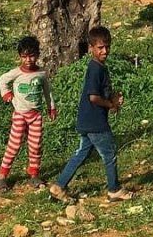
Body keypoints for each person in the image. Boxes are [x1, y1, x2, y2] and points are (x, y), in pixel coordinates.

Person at [49, 26, 133, 202]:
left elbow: (100, 93)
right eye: (100, 47)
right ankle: (114, 189)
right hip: (95, 121)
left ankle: (59, 186)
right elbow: (94, 97)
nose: (105, 51)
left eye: (107, 46)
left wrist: (112, 98)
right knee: (109, 153)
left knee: (82, 153)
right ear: (91, 48)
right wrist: (110, 104)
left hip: (87, 120)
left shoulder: (100, 67)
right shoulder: (95, 69)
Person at [0, 35, 56, 191]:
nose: (28, 60)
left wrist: (51, 107)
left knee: (35, 146)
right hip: (20, 115)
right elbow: (2, 80)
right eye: (24, 57)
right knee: (14, 145)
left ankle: (34, 174)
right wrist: (7, 95)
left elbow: (47, 91)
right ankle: (2, 176)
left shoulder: (41, 73)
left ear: (37, 55)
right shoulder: (16, 73)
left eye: (32, 56)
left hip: (36, 116)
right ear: (20, 57)